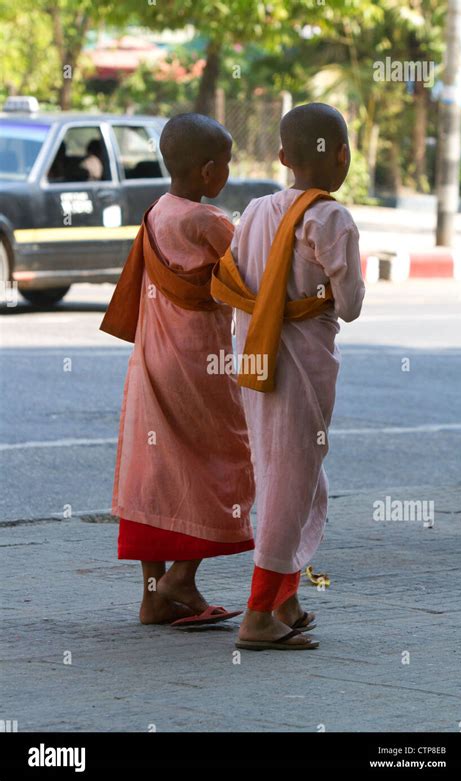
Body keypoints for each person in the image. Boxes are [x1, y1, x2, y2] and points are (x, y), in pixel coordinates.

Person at [211, 103, 365, 650]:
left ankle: (287, 599)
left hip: (252, 356)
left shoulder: (253, 209)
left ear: (281, 157)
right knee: (289, 484)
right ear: (343, 156)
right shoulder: (331, 218)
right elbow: (348, 307)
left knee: (289, 474)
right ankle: (257, 617)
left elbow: (233, 273)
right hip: (299, 363)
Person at [100, 113, 255, 627]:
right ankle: (181, 578)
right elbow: (252, 273)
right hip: (199, 365)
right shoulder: (208, 222)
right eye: (227, 164)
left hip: (151, 359)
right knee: (228, 458)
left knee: (155, 469)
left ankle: (154, 596)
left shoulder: (155, 213)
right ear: (210, 171)